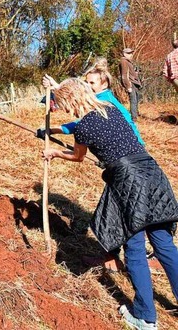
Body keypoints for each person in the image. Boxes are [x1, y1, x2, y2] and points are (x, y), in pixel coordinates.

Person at [42, 78, 178, 330]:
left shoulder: (84, 127)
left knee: (134, 246)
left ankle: (145, 317)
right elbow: (77, 97)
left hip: (129, 184)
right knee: (164, 244)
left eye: (65, 105)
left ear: (71, 101)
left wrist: (54, 153)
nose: (68, 111)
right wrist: (56, 86)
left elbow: (77, 157)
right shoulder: (111, 109)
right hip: (152, 172)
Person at [39, 63, 143, 272]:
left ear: (104, 83)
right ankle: (115, 255)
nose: (88, 85)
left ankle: (117, 257)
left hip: (126, 159)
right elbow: (77, 100)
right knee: (122, 211)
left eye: (91, 82)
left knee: (119, 213)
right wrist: (57, 88)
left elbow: (80, 122)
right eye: (86, 82)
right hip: (123, 159)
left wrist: (51, 131)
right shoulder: (99, 98)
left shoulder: (104, 101)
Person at [119, 47, 143, 121]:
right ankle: (134, 118)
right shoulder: (123, 61)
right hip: (130, 83)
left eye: (131, 53)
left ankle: (135, 115)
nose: (131, 55)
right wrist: (128, 86)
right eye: (129, 53)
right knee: (133, 100)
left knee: (136, 99)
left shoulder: (127, 61)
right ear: (124, 54)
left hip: (133, 83)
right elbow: (124, 75)